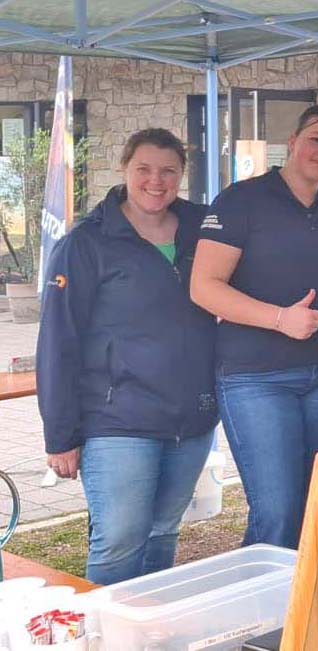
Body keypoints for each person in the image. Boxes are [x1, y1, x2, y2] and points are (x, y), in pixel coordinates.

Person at [38, 128, 217, 584]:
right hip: (117, 419)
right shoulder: (87, 242)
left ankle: (148, 620)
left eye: (168, 171)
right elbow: (58, 341)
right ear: (124, 169)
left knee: (163, 531)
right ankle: (104, 622)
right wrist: (60, 435)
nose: (156, 181)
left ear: (181, 175)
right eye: (144, 169)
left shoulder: (205, 230)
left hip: (190, 420)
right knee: (120, 538)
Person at [190, 104, 318, 549]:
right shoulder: (241, 200)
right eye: (316, 140)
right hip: (256, 379)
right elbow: (204, 287)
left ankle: (308, 594)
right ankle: (268, 595)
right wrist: (281, 319)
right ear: (292, 141)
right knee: (278, 512)